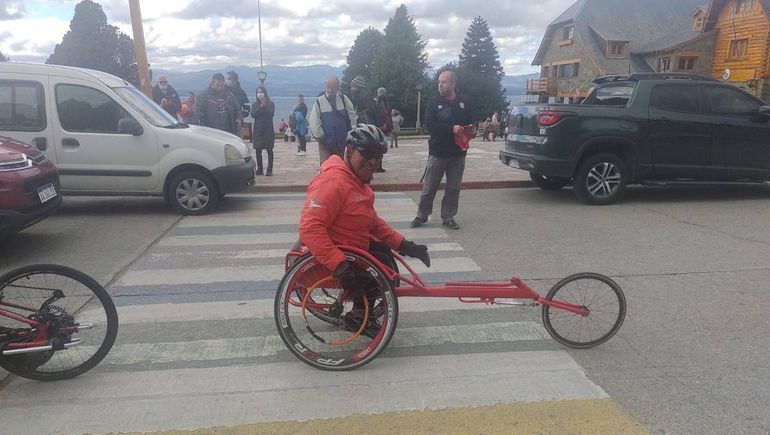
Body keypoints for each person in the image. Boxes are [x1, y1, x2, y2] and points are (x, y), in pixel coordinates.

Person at [298, 124, 431, 337]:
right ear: (349, 151)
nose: (372, 162)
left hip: (353, 247)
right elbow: (310, 227)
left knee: (383, 256)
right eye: (367, 154)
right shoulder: (333, 183)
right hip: (335, 257)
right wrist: (339, 265)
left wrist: (406, 246)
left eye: (377, 156)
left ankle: (363, 310)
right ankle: (358, 316)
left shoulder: (357, 183)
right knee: (375, 269)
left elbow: (373, 223)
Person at [411, 70, 473, 231]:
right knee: (430, 186)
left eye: (444, 82)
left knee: (453, 187)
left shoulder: (464, 101)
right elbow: (430, 126)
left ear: (453, 84)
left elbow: (471, 122)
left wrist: (469, 131)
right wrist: (451, 129)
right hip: (438, 151)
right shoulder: (434, 101)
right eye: (439, 81)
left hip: (458, 152)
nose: (440, 84)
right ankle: (422, 215)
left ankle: (448, 216)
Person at [308, 76, 357, 165]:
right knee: (326, 165)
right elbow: (314, 121)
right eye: (328, 87)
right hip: (325, 142)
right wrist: (321, 136)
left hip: (342, 141)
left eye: (333, 88)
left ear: (338, 87)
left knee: (342, 165)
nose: (330, 90)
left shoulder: (344, 99)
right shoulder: (320, 101)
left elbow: (352, 116)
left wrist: (351, 133)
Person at [251, 86, 275, 176]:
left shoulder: (271, 103)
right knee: (258, 150)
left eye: (261, 92)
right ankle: (260, 168)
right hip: (258, 129)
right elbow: (253, 114)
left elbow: (271, 114)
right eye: (258, 92)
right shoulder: (254, 104)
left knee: (269, 149)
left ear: (265, 93)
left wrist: (265, 106)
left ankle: (270, 169)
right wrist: (261, 107)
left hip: (268, 129)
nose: (259, 94)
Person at [372, 87, 393, 172]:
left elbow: (387, 114)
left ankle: (379, 166)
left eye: (383, 94)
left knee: (381, 148)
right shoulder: (375, 103)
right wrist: (379, 126)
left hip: (383, 127)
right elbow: (376, 115)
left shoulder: (384, 102)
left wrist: (387, 125)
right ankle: (376, 166)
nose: (382, 95)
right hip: (377, 127)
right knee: (377, 148)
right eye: (381, 93)